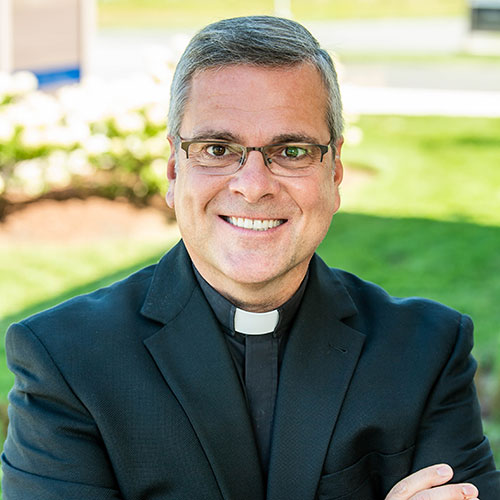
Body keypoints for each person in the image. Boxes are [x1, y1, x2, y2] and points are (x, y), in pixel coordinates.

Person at [1, 15, 499, 500]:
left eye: (293, 152)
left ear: (336, 172)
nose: (254, 185)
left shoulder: (427, 352)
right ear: (175, 170)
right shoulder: (64, 358)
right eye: (218, 149)